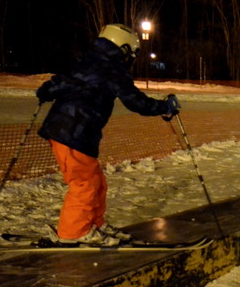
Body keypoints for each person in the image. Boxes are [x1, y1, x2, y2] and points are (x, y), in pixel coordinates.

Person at [36, 23, 180, 246]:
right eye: (131, 53)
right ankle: (72, 233)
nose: (131, 58)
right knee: (84, 185)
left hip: (72, 133)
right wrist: (164, 107)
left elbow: (63, 82)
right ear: (121, 49)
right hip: (73, 134)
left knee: (97, 183)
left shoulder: (88, 63)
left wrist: (47, 90)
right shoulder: (112, 70)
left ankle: (94, 223)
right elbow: (135, 102)